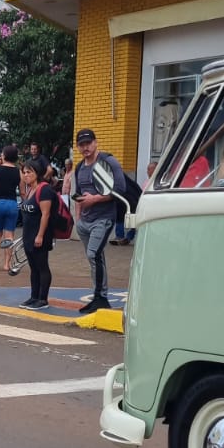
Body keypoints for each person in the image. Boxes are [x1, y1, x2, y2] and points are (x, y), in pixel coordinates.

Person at [72, 127, 127, 314]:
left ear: (96, 143)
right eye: (82, 144)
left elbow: (120, 189)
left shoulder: (108, 162)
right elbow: (78, 193)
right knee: (95, 259)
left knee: (93, 255)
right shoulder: (80, 167)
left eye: (88, 143)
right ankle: (98, 296)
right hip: (85, 222)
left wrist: (95, 199)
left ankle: (101, 298)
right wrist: (78, 218)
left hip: (103, 219)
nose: (86, 147)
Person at [19, 156, 56, 309]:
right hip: (28, 235)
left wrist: (40, 235)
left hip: (40, 235)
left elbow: (45, 214)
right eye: (24, 172)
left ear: (37, 173)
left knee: (42, 266)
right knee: (33, 268)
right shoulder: (29, 190)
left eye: (29, 172)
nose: (26, 175)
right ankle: (34, 296)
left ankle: (43, 299)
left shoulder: (44, 189)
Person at [0, 144, 21, 272]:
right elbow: (22, 191)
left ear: (4, 156)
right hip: (12, 203)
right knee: (9, 235)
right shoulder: (18, 171)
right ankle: (7, 264)